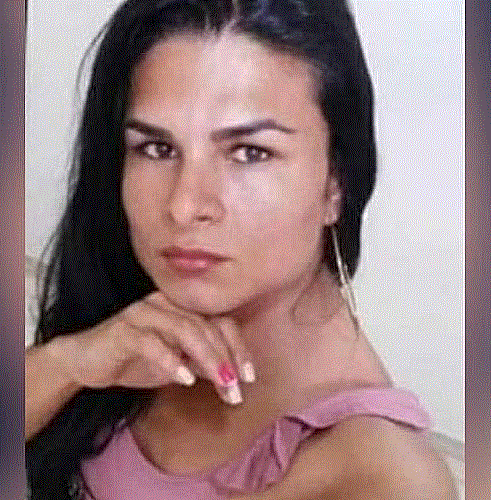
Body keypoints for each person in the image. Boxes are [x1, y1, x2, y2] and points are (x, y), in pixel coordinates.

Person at [25, 0, 457, 498]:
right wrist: (67, 364)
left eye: (250, 153)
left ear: (336, 182)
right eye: (157, 149)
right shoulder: (126, 325)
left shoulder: (383, 478)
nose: (184, 206)